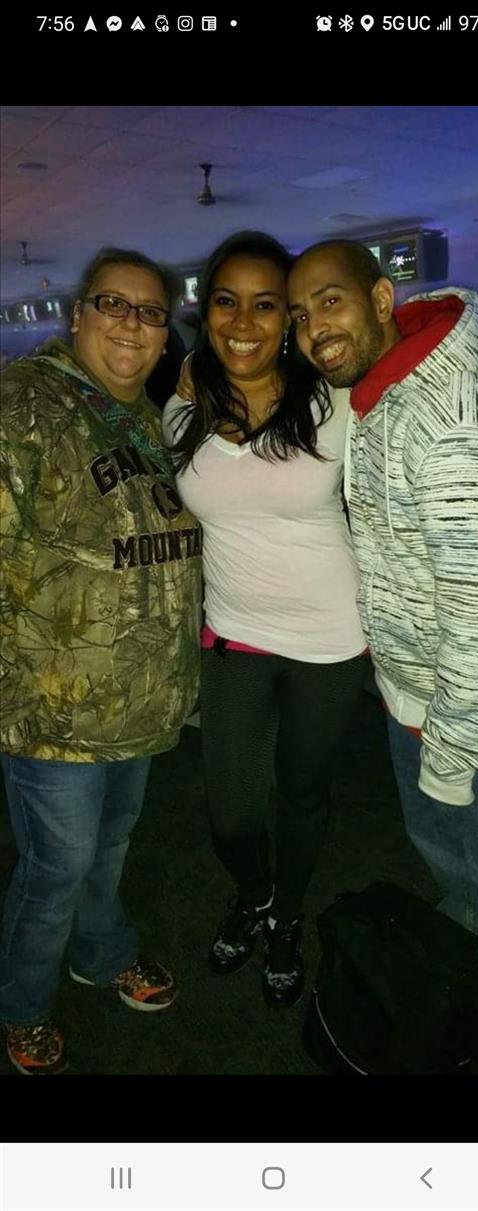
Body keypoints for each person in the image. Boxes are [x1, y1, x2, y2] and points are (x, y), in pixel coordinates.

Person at [288, 239, 478, 1073]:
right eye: (298, 314)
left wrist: (448, 757)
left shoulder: (457, 419)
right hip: (419, 704)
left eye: (328, 301)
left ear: (380, 296)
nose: (310, 326)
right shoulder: (377, 398)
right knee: (463, 879)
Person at [0, 247, 202, 1075]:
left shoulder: (152, 422)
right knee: (57, 866)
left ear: (164, 336)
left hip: (142, 697)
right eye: (112, 304)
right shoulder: (26, 403)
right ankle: (20, 1004)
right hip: (53, 706)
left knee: (111, 843)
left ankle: (102, 947)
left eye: (149, 311)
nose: (130, 322)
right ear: (75, 315)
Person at [163, 231, 366, 1010]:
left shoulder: (335, 398)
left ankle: (286, 913)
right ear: (204, 309)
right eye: (225, 299)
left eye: (264, 302)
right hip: (234, 638)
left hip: (329, 641)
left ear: (287, 317)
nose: (242, 319)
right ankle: (254, 890)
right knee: (232, 808)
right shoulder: (181, 407)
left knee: (302, 795)